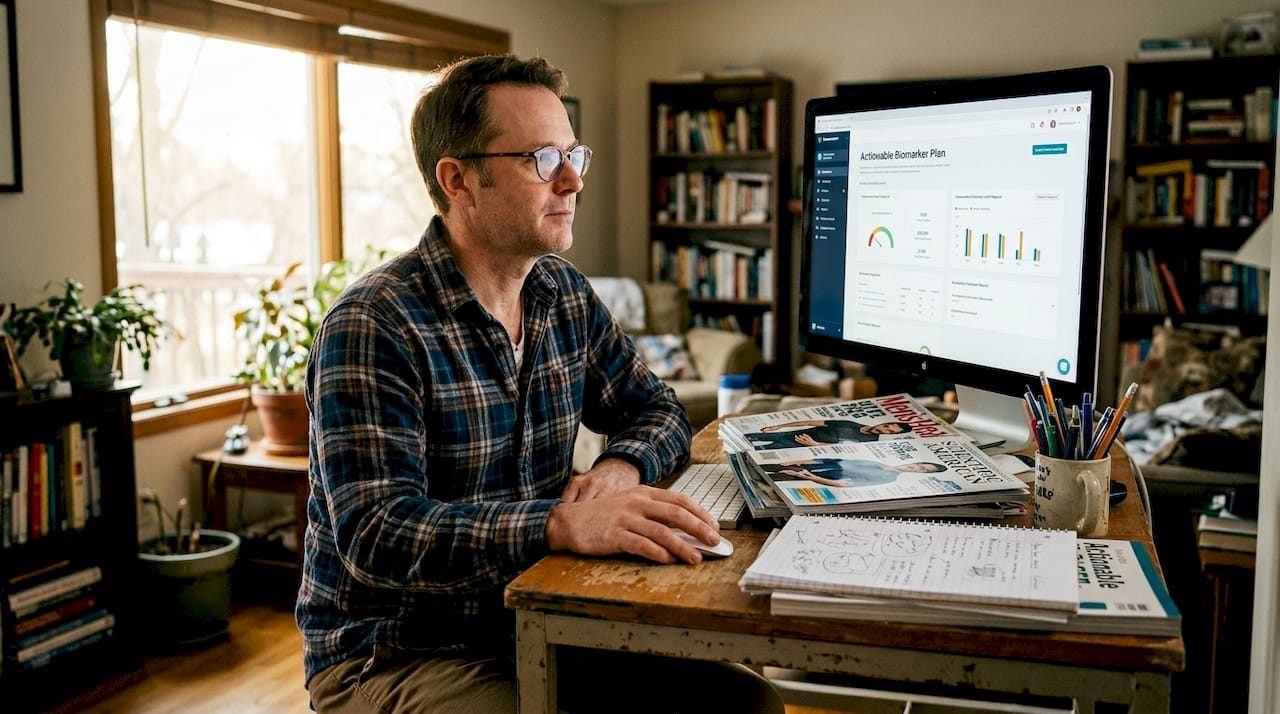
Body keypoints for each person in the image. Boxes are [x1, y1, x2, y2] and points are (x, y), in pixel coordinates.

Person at [295, 54, 784, 714]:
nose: (575, 180)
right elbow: (377, 535)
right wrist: (559, 523)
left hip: (541, 611)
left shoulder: (562, 293)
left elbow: (658, 409)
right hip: (395, 652)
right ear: (459, 179)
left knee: (744, 704)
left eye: (573, 154)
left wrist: (619, 468)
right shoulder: (373, 325)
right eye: (543, 160)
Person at [768, 457, 947, 488]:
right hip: (799, 466)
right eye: (919, 465)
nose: (915, 468)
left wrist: (809, 477)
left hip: (805, 478)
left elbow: (842, 484)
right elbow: (830, 460)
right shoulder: (877, 462)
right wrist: (795, 462)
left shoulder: (888, 479)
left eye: (921, 471)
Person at [743, 418, 914, 449]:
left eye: (890, 432)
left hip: (800, 445)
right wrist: (778, 426)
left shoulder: (871, 441)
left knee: (761, 451)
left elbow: (840, 449)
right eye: (887, 426)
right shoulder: (852, 423)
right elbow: (810, 422)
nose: (884, 429)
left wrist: (815, 445)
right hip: (793, 434)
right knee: (747, 439)